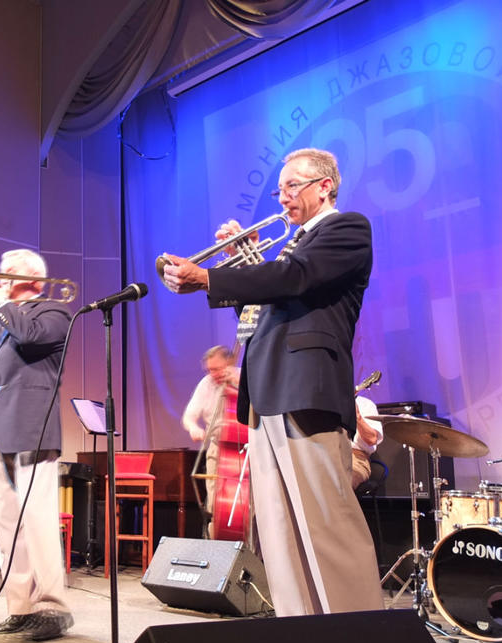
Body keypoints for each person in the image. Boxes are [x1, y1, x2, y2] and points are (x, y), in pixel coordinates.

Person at [160, 147, 385, 616]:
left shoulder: (346, 228)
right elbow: (257, 315)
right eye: (279, 188)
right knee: (280, 534)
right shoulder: (291, 246)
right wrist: (238, 265)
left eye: (292, 186)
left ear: (324, 186)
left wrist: (209, 276)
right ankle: (299, 636)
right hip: (266, 397)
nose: (282, 198)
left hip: (306, 391)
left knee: (327, 527)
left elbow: (295, 278)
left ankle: (356, 635)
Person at [0, 248, 73, 642]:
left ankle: (53, 607)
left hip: (30, 428)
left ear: (35, 281)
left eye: (8, 273)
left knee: (38, 522)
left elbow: (32, 337)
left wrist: (3, 305)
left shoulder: (53, 311)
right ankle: (20, 607)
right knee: (6, 527)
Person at [181, 345, 240, 534]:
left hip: (246, 449)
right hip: (217, 447)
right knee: (215, 502)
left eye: (217, 369)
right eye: (209, 370)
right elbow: (189, 416)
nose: (213, 374)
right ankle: (217, 543)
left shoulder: (242, 376)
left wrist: (238, 382)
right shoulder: (206, 383)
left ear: (230, 362)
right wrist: (194, 427)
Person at [352, 396, 383, 490]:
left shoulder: (365, 404)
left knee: (339, 480)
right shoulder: (325, 401)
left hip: (355, 458)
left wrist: (357, 416)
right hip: (326, 454)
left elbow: (372, 439)